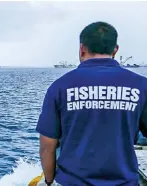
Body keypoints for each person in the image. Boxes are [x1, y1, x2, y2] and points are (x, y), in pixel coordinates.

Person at [35, 21, 147, 185]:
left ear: (82, 48)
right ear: (115, 49)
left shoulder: (60, 87)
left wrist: (50, 180)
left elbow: (47, 145)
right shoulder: (142, 86)